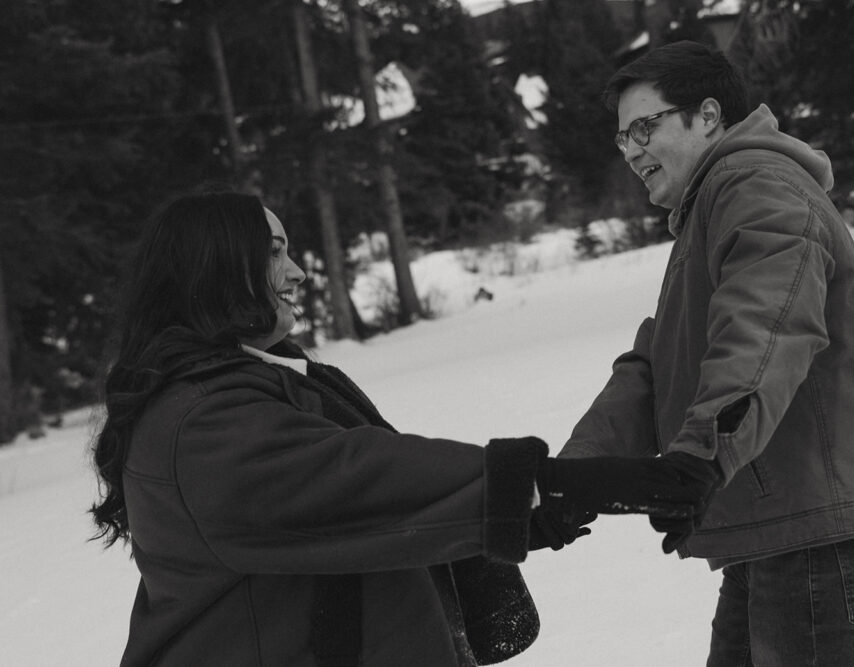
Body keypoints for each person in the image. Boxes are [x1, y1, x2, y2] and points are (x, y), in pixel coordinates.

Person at [89, 191, 707, 667]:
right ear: (213, 268)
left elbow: (376, 509)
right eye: (273, 252)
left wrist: (528, 509)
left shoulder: (268, 383)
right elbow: (364, 482)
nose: (299, 272)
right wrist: (551, 487)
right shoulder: (202, 423)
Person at [559, 41, 854, 666]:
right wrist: (575, 474)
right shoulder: (712, 205)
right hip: (777, 518)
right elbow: (656, 366)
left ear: (707, 115)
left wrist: (700, 456)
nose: (631, 151)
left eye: (644, 128)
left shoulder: (755, 187)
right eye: (622, 138)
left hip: (816, 524)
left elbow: (768, 325)